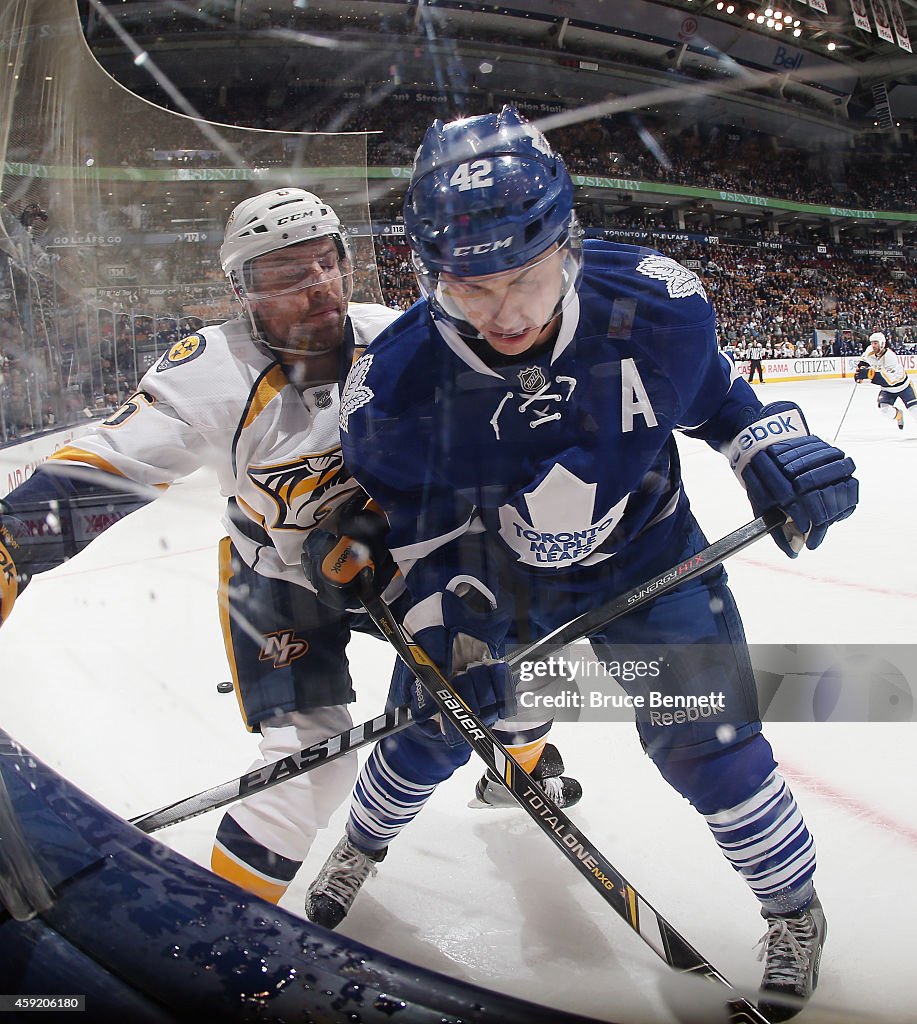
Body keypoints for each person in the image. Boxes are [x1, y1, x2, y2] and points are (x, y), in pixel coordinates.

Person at [303, 109, 858, 1021]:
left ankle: (794, 910)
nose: (505, 313)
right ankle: (362, 843)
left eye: (525, 278)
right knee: (428, 726)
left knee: (708, 746)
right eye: (469, 289)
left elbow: (714, 393)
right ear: (424, 274)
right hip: (497, 572)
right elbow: (414, 526)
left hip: (648, 557)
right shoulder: (395, 388)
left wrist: (769, 448)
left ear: (569, 243)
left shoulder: (653, 302)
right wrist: (451, 616)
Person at [0, 188, 406, 905]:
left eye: (323, 262)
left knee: (497, 671)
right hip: (276, 575)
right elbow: (105, 470)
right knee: (312, 760)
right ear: (243, 291)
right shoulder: (210, 373)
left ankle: (522, 758)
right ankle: (230, 930)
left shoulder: (395, 338)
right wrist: (10, 543)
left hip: (389, 552)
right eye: (285, 274)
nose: (315, 286)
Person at [854, 331, 917, 431]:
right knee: (884, 410)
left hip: (904, 387)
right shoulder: (870, 350)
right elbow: (864, 361)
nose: (873, 345)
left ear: (882, 344)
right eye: (872, 343)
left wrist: (869, 374)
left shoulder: (890, 357)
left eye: (876, 343)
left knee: (914, 411)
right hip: (887, 390)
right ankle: (899, 415)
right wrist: (860, 372)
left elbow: (888, 380)